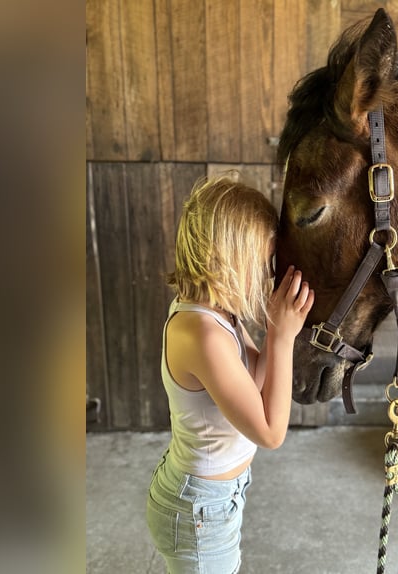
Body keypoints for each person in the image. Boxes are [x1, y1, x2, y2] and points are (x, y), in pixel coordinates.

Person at [146, 175, 314, 573]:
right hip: (199, 510)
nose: (268, 273)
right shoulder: (203, 334)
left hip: (214, 500)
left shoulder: (218, 312)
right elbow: (270, 432)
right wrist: (280, 335)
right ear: (231, 255)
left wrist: (284, 330)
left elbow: (255, 378)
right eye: (264, 259)